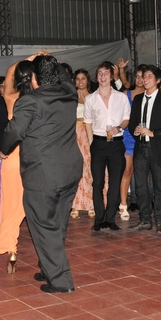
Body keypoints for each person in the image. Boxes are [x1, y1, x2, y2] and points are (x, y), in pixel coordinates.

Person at [1, 55, 82, 294]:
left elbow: (14, 131)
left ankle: (61, 280)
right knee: (58, 223)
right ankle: (49, 268)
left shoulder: (30, 100)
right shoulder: (69, 93)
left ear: (34, 78)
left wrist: (4, 150)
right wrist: (49, 60)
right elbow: (65, 77)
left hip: (43, 174)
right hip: (69, 170)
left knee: (44, 226)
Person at [0, 58, 35, 272]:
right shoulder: (39, 99)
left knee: (11, 202)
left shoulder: (11, 98)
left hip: (12, 154)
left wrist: (27, 59)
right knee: (28, 201)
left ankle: (12, 249)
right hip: (31, 153)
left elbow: (9, 73)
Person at [128, 65, 161, 234]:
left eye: (149, 76)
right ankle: (145, 219)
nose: (145, 79)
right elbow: (131, 123)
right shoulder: (137, 99)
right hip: (141, 148)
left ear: (158, 80)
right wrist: (135, 130)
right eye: (144, 76)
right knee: (140, 186)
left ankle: (160, 220)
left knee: (159, 186)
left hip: (158, 147)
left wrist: (154, 133)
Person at [84, 62, 130, 231]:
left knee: (115, 182)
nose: (103, 76)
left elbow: (126, 119)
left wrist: (119, 128)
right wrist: (91, 143)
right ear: (97, 77)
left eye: (106, 73)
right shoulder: (90, 99)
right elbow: (88, 122)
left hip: (116, 143)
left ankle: (110, 218)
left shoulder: (121, 97)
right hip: (98, 143)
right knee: (97, 182)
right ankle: (99, 219)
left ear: (111, 76)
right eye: (100, 73)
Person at [119, 64, 146, 218]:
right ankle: (123, 204)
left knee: (143, 172)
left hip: (143, 135)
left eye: (143, 76)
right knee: (127, 170)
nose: (140, 79)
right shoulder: (126, 94)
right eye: (137, 76)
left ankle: (144, 203)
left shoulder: (149, 95)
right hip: (127, 136)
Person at [71, 68, 95, 219]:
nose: (80, 81)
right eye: (78, 79)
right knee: (76, 169)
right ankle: (76, 204)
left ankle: (91, 203)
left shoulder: (94, 97)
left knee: (90, 168)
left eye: (83, 78)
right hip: (74, 135)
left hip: (89, 133)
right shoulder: (70, 97)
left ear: (88, 80)